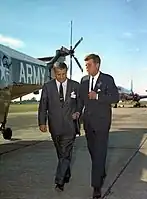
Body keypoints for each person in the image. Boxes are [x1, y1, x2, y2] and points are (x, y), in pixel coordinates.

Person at [77, 54, 119, 199]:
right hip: (87, 123)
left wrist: (98, 97)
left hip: (102, 122)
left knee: (100, 151)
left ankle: (96, 187)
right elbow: (81, 100)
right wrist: (77, 112)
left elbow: (115, 98)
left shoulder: (107, 79)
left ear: (97, 65)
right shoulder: (83, 80)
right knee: (93, 151)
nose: (86, 68)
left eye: (88, 65)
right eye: (86, 65)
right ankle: (100, 170)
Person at [38, 62, 80, 191]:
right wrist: (42, 122)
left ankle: (59, 181)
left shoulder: (75, 85)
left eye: (63, 74)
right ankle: (66, 173)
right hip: (54, 126)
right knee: (61, 153)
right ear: (54, 73)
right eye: (58, 74)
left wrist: (78, 112)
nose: (61, 77)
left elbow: (80, 102)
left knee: (65, 152)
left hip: (70, 126)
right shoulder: (48, 86)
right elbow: (43, 105)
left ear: (66, 72)